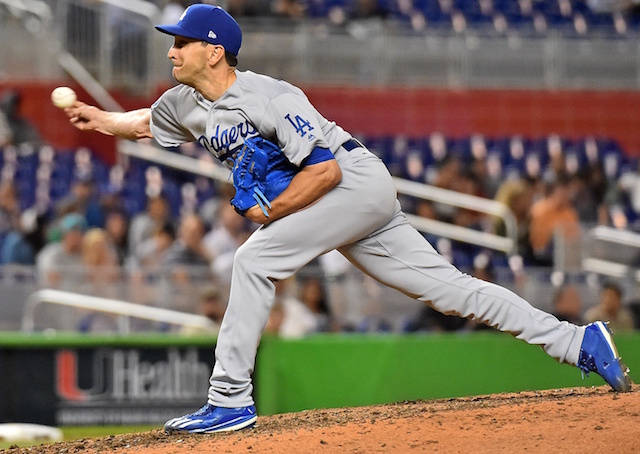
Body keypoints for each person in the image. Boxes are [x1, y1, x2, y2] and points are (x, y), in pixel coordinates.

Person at [64, 3, 632, 434]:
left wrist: (271, 212)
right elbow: (144, 124)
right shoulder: (183, 102)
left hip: (354, 182)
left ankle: (230, 397)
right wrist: (99, 118)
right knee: (451, 292)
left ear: (214, 50)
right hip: (341, 202)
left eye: (181, 42)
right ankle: (580, 342)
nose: (171, 51)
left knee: (255, 258)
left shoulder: (272, 97)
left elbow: (325, 172)